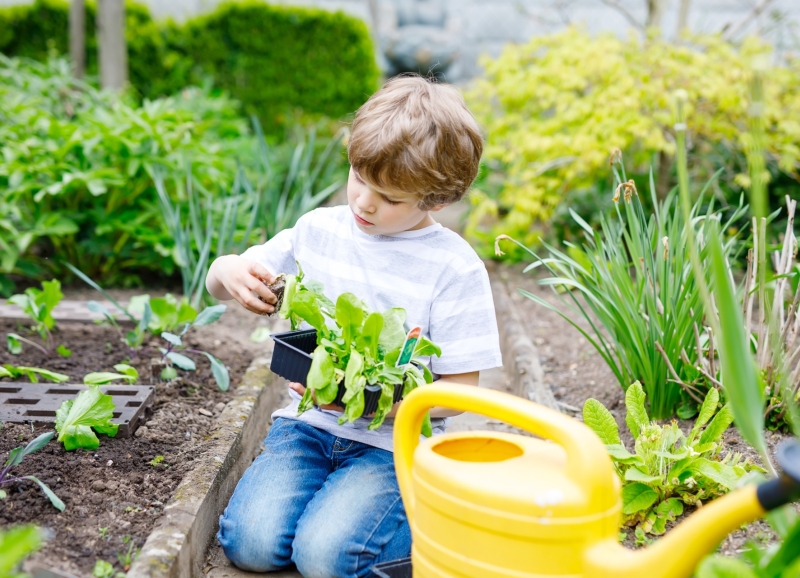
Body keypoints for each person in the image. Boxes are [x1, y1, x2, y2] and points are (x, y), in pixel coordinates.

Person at [205, 74, 502, 578]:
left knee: (325, 559)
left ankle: (436, 521)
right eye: (360, 178)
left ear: (434, 199)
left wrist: (374, 403)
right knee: (249, 545)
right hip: (308, 426)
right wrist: (228, 270)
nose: (364, 202)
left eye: (389, 198)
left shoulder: (454, 267)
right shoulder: (318, 231)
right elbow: (221, 280)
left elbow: (459, 394)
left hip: (392, 446)